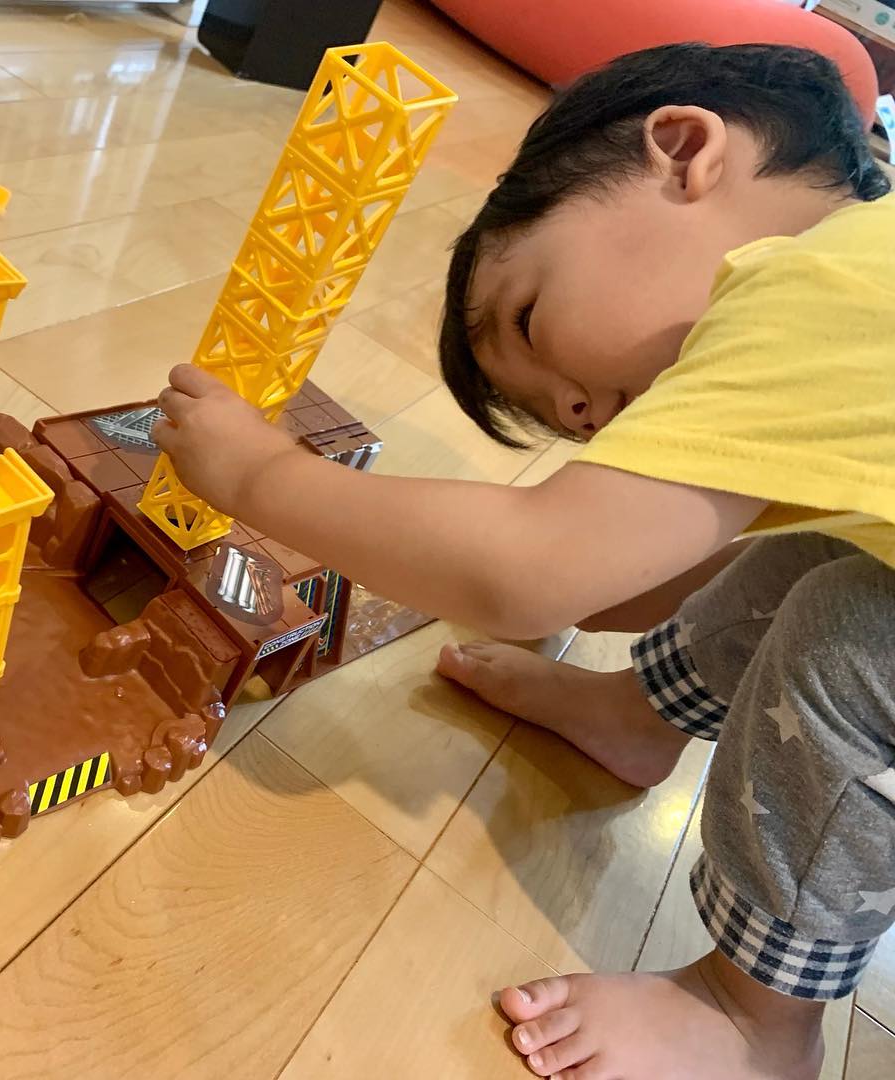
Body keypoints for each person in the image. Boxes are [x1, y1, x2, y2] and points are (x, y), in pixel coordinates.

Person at [150, 42, 894, 1080]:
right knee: (826, 549)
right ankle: (640, 715)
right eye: (569, 422)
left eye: (532, 319)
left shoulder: (814, 287)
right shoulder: (848, 326)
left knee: (854, 627)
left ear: (685, 152)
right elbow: (632, 587)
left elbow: (532, 574)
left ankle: (756, 1020)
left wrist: (262, 476)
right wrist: (569, 561)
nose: (584, 413)